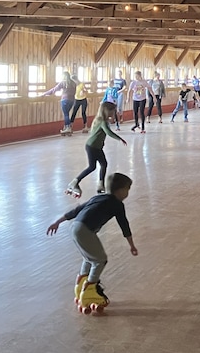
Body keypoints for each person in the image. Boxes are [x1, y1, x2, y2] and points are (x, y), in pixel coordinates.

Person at [46, 172, 137, 314]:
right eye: (127, 189)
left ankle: (81, 286)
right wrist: (131, 245)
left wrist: (58, 222)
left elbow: (76, 210)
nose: (127, 193)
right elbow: (124, 225)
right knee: (100, 260)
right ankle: (90, 290)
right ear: (120, 191)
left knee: (89, 258)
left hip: (75, 227)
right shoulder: (117, 204)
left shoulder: (97, 197)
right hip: (85, 230)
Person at [64, 100, 127, 199]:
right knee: (92, 167)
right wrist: (120, 139)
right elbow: (108, 132)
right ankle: (74, 182)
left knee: (104, 164)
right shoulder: (102, 122)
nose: (113, 113)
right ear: (107, 111)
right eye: (112, 111)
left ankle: (100, 185)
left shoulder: (100, 120)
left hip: (96, 147)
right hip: (92, 147)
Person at [43, 70, 78, 135]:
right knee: (67, 114)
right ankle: (66, 128)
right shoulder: (73, 83)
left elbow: (54, 89)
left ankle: (68, 127)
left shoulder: (63, 82)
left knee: (66, 114)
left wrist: (45, 94)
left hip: (64, 100)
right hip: (72, 100)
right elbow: (74, 92)